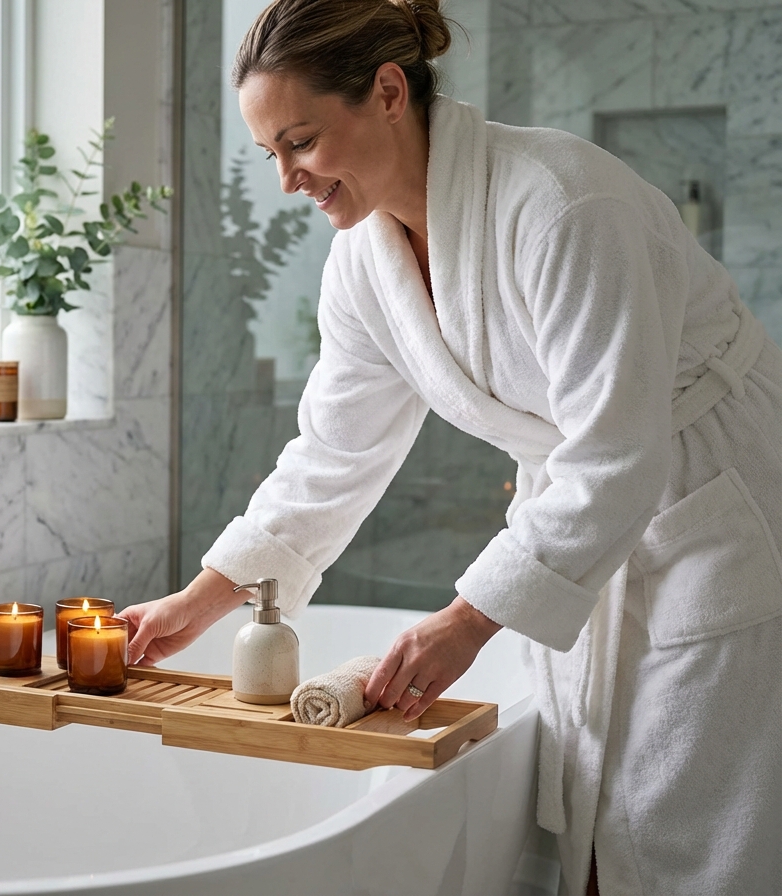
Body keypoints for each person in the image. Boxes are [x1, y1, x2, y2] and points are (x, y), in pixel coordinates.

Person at [120, 1, 782, 894]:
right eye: (270, 153)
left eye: (303, 141)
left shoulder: (562, 204)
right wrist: (204, 598)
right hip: (585, 511)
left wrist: (468, 619)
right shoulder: (363, 262)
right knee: (589, 807)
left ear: (388, 91)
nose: (289, 180)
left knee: (685, 820)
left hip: (703, 497)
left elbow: (618, 455)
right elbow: (334, 451)